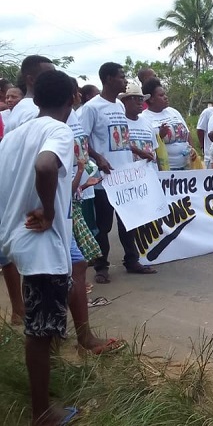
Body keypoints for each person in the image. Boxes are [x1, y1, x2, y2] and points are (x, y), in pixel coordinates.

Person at [0, 69, 78, 426]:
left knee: (40, 329)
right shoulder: (58, 130)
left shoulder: (12, 137)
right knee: (41, 331)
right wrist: (48, 212)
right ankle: (42, 413)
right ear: (73, 98)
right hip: (41, 244)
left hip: (17, 240)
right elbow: (46, 166)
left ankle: (43, 401)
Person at [81, 62, 151, 283]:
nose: (125, 80)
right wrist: (98, 157)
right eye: (121, 77)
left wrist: (140, 151)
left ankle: (132, 260)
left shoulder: (119, 106)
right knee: (104, 225)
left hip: (124, 175)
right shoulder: (92, 108)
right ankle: (102, 266)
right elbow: (82, 141)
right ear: (109, 79)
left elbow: (122, 138)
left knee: (128, 221)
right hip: (104, 178)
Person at [141, 78, 196, 171]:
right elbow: (147, 147)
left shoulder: (173, 112)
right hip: (166, 169)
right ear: (151, 99)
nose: (165, 97)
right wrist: (160, 136)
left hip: (186, 166)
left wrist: (193, 150)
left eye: (165, 94)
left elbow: (188, 133)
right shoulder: (144, 118)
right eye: (161, 95)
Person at [4, 55, 55, 134]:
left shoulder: (23, 108)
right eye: (49, 76)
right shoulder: (33, 113)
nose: (56, 79)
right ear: (31, 80)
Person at [120, 84, 158, 167]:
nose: (140, 102)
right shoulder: (120, 123)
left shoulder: (147, 122)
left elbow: (155, 150)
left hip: (149, 172)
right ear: (124, 101)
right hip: (129, 174)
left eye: (141, 99)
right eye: (135, 98)